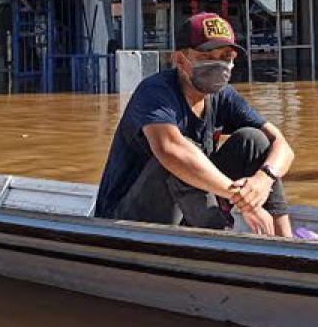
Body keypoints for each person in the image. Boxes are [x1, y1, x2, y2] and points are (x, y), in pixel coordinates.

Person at [95, 13, 295, 237]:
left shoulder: (223, 96)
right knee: (181, 156)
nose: (218, 64)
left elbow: (282, 146)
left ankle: (287, 243)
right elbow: (171, 150)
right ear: (180, 60)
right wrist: (241, 197)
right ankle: (220, 243)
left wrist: (263, 180)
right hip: (124, 220)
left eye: (225, 56)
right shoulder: (155, 92)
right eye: (206, 56)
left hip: (189, 208)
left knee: (255, 140)